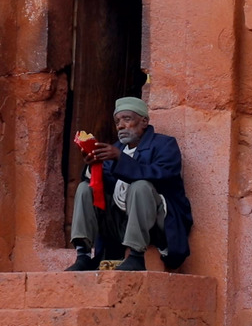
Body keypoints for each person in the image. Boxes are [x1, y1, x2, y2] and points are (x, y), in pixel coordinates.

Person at [66, 97, 193, 271]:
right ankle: (83, 255)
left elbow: (162, 175)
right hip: (121, 225)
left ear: (144, 121)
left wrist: (121, 158)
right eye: (117, 121)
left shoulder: (164, 144)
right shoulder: (115, 149)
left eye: (127, 119)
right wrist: (92, 164)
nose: (120, 125)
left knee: (140, 186)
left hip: (156, 224)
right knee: (85, 188)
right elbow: (105, 185)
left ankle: (136, 256)